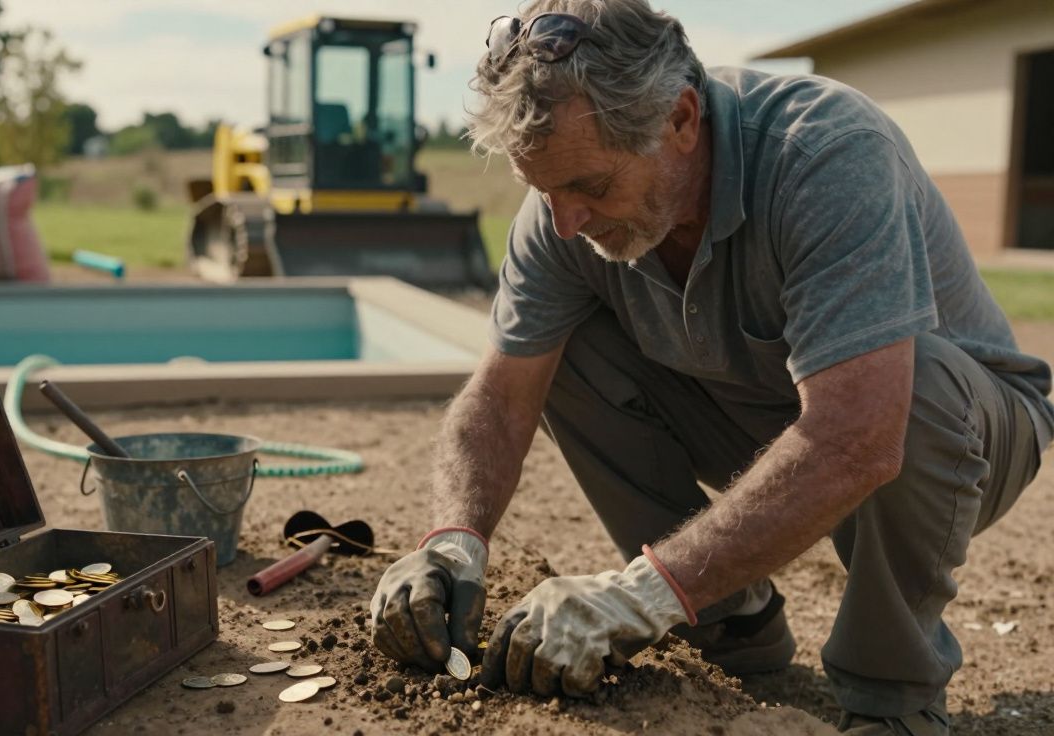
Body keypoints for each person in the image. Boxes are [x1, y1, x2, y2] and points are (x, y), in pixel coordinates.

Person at [367, 1, 1054, 734]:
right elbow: (501, 398)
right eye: (544, 191)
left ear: (683, 121)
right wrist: (453, 542)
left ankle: (894, 699)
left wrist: (641, 595)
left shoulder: (823, 152)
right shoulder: (563, 214)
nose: (565, 221)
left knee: (910, 387)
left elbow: (859, 434)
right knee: (559, 350)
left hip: (957, 440)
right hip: (768, 417)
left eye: (591, 189)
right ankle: (730, 624)